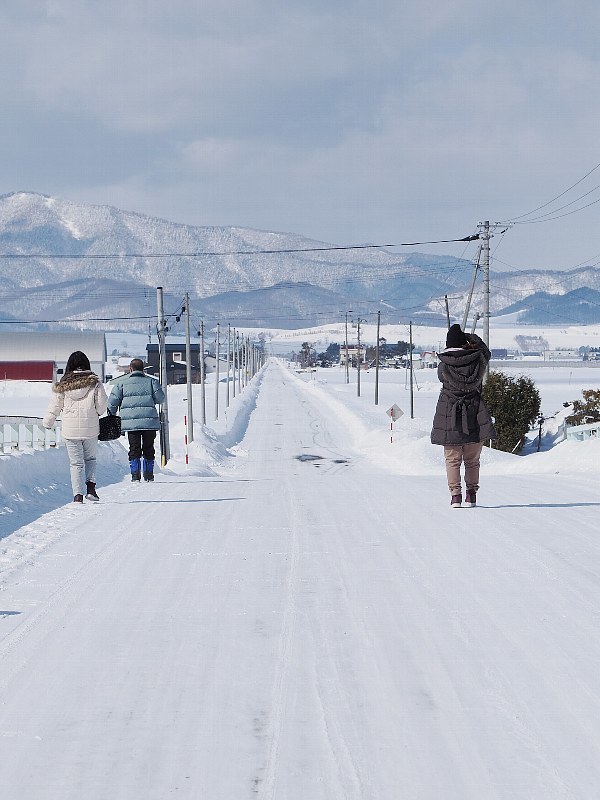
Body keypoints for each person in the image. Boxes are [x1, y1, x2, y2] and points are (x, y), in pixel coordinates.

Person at [430, 324, 496, 508]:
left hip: (449, 414)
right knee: (472, 460)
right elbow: (486, 351)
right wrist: (469, 336)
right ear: (463, 343)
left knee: (452, 459)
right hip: (475, 412)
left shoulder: (444, 366)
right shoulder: (477, 361)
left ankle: (455, 496)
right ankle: (471, 495)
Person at [43, 351, 108, 503]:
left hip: (70, 430)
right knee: (90, 459)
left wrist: (48, 422)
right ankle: (91, 489)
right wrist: (96, 412)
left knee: (75, 463)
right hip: (90, 428)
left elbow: (55, 406)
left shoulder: (63, 384)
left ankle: (78, 495)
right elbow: (102, 405)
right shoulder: (95, 382)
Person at [107, 358, 165, 482]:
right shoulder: (152, 382)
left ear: (130, 368)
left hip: (130, 423)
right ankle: (149, 475)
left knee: (134, 448)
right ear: (143, 369)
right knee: (149, 447)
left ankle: (135, 475)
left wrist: (112, 416)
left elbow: (112, 403)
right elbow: (160, 399)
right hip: (149, 422)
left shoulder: (121, 384)